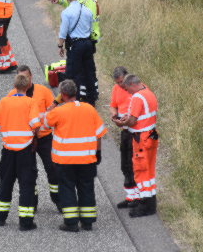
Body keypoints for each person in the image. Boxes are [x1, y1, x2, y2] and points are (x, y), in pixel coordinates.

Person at [43, 79, 106, 231]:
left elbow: (45, 123)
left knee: (67, 188)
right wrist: (98, 152)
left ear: (63, 95)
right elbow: (99, 134)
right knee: (86, 188)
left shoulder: (58, 112)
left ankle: (71, 223)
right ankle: (87, 221)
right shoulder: (89, 109)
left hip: (65, 160)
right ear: (75, 93)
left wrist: (54, 104)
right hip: (87, 159)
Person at [0, 74, 40, 230]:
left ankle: (0, 216)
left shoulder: (4, 102)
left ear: (15, 86)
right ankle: (25, 222)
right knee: (26, 185)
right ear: (28, 87)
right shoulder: (31, 102)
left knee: (5, 181)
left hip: (8, 150)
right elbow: (35, 124)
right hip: (25, 150)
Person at [8, 66, 60, 209]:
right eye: (21, 78)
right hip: (25, 141)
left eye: (26, 77)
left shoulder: (43, 91)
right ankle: (32, 201)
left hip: (44, 138)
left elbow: (55, 110)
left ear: (31, 77)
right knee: (29, 173)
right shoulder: (12, 95)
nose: (24, 80)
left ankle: (58, 199)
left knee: (53, 168)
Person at [115, 74, 159, 217]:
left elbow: (133, 121)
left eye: (128, 89)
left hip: (142, 138)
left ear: (132, 84)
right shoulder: (148, 92)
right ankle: (150, 201)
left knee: (140, 170)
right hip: (151, 134)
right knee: (149, 170)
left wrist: (121, 122)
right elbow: (142, 115)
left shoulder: (137, 97)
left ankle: (146, 205)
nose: (128, 92)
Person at [51, 0, 96, 105]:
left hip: (76, 45)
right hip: (88, 43)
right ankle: (91, 100)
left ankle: (73, 100)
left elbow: (63, 32)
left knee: (72, 73)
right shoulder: (87, 10)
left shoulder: (66, 12)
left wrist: (60, 46)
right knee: (88, 71)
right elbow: (91, 27)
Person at [109, 67, 137, 208]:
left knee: (135, 164)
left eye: (121, 82)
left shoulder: (136, 89)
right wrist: (114, 115)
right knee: (125, 164)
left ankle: (139, 196)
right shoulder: (116, 89)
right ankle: (131, 196)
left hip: (137, 131)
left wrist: (126, 119)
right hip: (125, 130)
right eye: (118, 82)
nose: (120, 85)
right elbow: (113, 105)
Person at [76, 0, 100, 100]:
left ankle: (89, 94)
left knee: (87, 69)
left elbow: (87, 20)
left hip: (87, 38)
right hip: (87, 38)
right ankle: (89, 92)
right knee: (86, 67)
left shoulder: (89, 1)